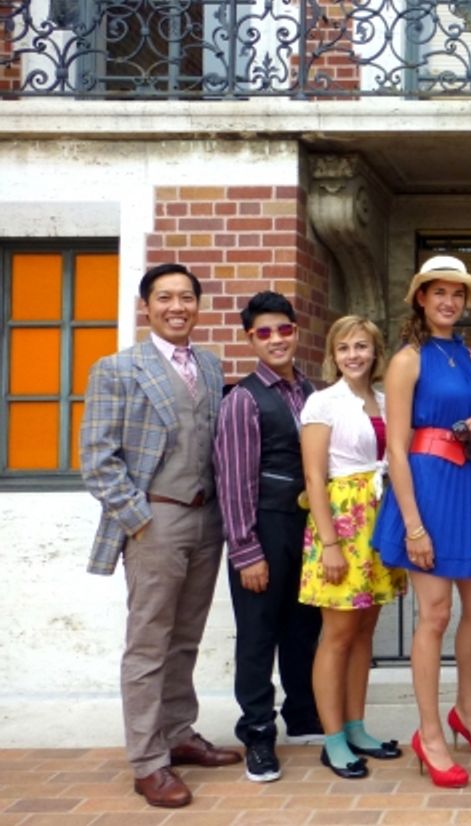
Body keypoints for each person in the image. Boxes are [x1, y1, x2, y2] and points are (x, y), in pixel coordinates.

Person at [81, 263, 241, 809]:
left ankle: (178, 733)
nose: (177, 306)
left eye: (186, 297)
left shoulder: (212, 367)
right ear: (145, 305)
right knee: (149, 643)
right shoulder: (117, 369)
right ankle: (148, 761)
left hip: (206, 520)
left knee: (186, 636)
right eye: (165, 297)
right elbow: (97, 459)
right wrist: (138, 518)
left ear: (198, 305)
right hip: (155, 520)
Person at [372, 256, 471, 789]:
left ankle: (466, 713)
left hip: (466, 480)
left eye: (456, 293)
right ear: (421, 298)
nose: (448, 301)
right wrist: (413, 525)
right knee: (435, 612)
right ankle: (429, 735)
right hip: (425, 486)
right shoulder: (407, 359)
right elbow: (396, 449)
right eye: (438, 292)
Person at [214, 291, 323, 783]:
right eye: (264, 333)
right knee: (259, 635)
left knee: (304, 627)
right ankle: (258, 732)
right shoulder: (242, 399)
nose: (277, 339)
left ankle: (303, 716)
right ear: (251, 339)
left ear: (296, 331)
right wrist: (245, 550)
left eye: (284, 329)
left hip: (308, 529)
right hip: (265, 526)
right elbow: (233, 480)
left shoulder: (312, 392)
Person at [299, 315, 405, 780]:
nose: (353, 356)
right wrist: (329, 543)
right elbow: (313, 477)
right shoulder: (323, 403)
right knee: (337, 635)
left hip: (379, 521)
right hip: (342, 521)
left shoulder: (385, 400)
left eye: (361, 346)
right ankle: (333, 738)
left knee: (365, 633)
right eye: (344, 348)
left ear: (375, 351)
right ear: (333, 354)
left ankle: (358, 727)